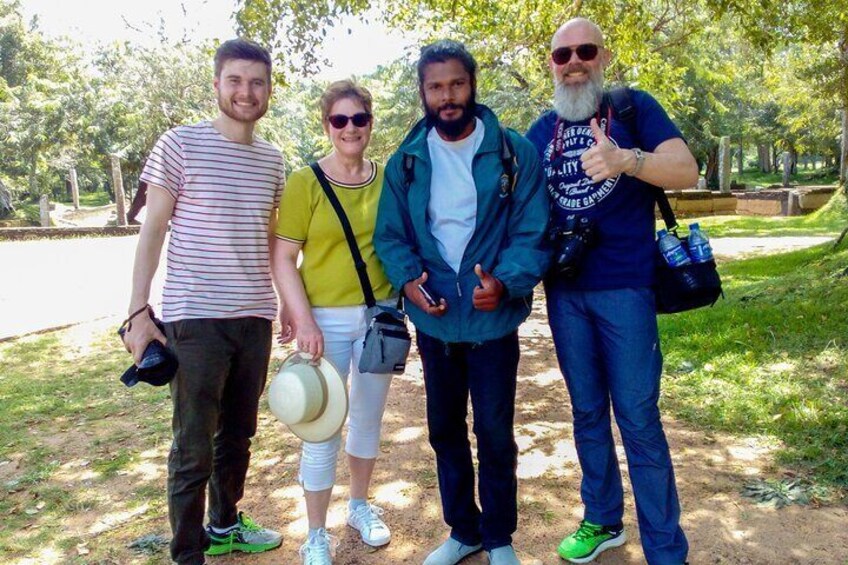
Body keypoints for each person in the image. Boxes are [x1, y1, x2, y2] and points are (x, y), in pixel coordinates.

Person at [526, 18, 699, 565]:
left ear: (603, 56)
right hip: (566, 291)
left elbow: (687, 170)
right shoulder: (539, 132)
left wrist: (628, 159)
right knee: (586, 413)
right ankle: (602, 520)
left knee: (638, 415)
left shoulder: (632, 108)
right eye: (562, 55)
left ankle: (666, 548)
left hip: (626, 286)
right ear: (551, 65)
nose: (573, 62)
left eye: (585, 51)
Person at [374, 40, 549, 565]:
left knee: (495, 433)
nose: (447, 96)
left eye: (456, 84)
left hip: (493, 323)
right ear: (423, 93)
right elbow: (391, 235)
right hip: (437, 324)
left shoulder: (515, 153)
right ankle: (462, 531)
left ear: (472, 86)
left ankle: (499, 538)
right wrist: (408, 282)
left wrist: (505, 282)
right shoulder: (405, 162)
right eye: (435, 87)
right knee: (445, 431)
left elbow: (531, 230)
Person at [122, 38, 285, 565]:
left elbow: (270, 242)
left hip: (254, 318)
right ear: (216, 84)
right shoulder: (179, 144)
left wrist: (284, 307)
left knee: (238, 438)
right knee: (192, 447)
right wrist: (137, 311)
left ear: (268, 90)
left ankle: (224, 525)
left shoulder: (274, 161)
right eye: (235, 80)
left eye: (256, 82)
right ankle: (187, 554)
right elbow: (154, 230)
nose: (246, 91)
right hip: (195, 320)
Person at [271, 79, 394, 565]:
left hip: (378, 319)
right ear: (327, 125)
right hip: (319, 321)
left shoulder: (386, 178)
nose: (350, 128)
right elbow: (282, 257)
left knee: (366, 419)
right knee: (320, 425)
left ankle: (360, 505)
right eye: (339, 120)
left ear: (369, 123)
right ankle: (315, 533)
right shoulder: (304, 183)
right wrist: (302, 320)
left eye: (358, 119)